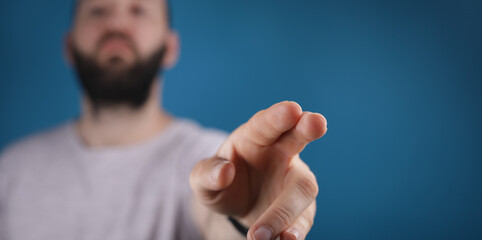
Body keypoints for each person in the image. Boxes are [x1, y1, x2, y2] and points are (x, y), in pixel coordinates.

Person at [0, 0, 327, 239]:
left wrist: (245, 220)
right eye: (98, 11)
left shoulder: (216, 159)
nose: (117, 24)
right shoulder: (12, 169)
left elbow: (217, 214)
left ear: (170, 48)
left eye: (138, 10)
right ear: (69, 47)